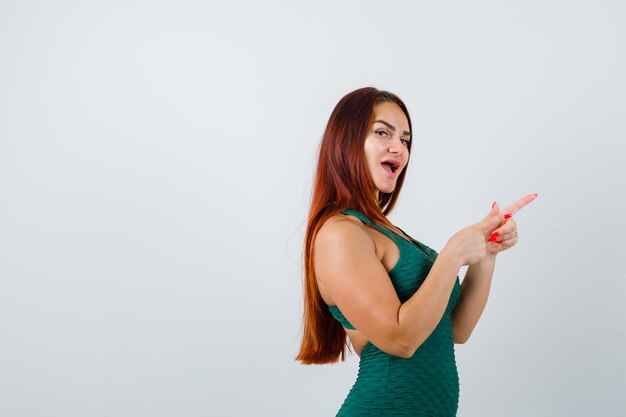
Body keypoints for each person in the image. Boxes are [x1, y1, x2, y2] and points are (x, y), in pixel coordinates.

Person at [295, 86, 537, 416]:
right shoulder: (339, 234)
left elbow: (457, 328)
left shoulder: (386, 233)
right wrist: (452, 254)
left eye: (405, 140)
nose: (399, 148)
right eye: (383, 133)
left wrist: (486, 252)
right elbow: (401, 340)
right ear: (347, 142)